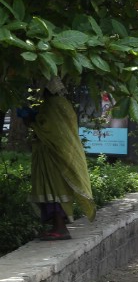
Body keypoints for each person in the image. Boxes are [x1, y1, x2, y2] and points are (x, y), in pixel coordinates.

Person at [29, 92, 95, 241]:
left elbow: (47, 127)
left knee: (55, 194)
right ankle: (57, 227)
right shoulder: (65, 105)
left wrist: (31, 120)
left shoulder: (52, 105)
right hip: (58, 156)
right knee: (55, 193)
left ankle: (60, 228)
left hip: (54, 158)